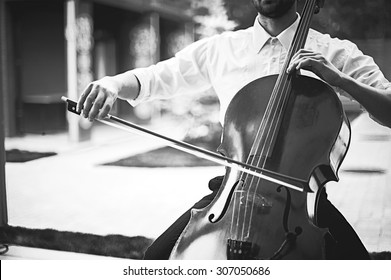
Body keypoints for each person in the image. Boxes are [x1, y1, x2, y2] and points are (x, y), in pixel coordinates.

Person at [77, 0, 391, 259]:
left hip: (302, 207)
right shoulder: (223, 49)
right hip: (230, 200)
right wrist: (114, 83)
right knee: (154, 262)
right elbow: (158, 77)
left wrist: (340, 80)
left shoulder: (336, 53)